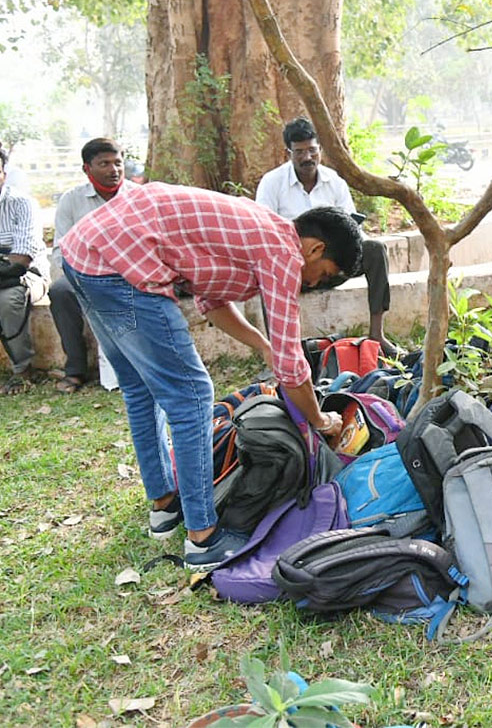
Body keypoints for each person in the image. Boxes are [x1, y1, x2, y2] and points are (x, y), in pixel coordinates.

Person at [60, 183, 362, 570]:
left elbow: (214, 304)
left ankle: (165, 504)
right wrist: (321, 420)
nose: (314, 283)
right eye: (324, 275)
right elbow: (291, 364)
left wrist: (263, 345)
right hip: (120, 266)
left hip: (88, 255)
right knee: (193, 396)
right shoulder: (284, 252)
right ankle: (203, 538)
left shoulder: (260, 230)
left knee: (140, 389)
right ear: (315, 248)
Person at [256, 117, 395, 355]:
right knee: (268, 274)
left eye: (312, 150)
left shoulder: (335, 182)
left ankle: (377, 334)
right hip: (297, 268)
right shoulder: (272, 183)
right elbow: (263, 232)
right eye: (299, 152)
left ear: (320, 149)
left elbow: (353, 229)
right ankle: (280, 350)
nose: (307, 157)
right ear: (287, 153)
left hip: (335, 264)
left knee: (374, 250)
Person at [48, 138, 126, 393]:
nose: (113, 170)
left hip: (129, 274)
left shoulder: (136, 197)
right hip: (85, 274)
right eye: (104, 163)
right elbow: (61, 249)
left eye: (118, 163)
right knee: (60, 292)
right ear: (87, 168)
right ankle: (76, 370)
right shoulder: (72, 201)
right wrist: (80, 276)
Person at [0, 147, 50, 394]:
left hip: (27, 276)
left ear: (3, 173)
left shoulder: (22, 203)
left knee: (7, 301)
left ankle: (22, 371)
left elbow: (21, 260)